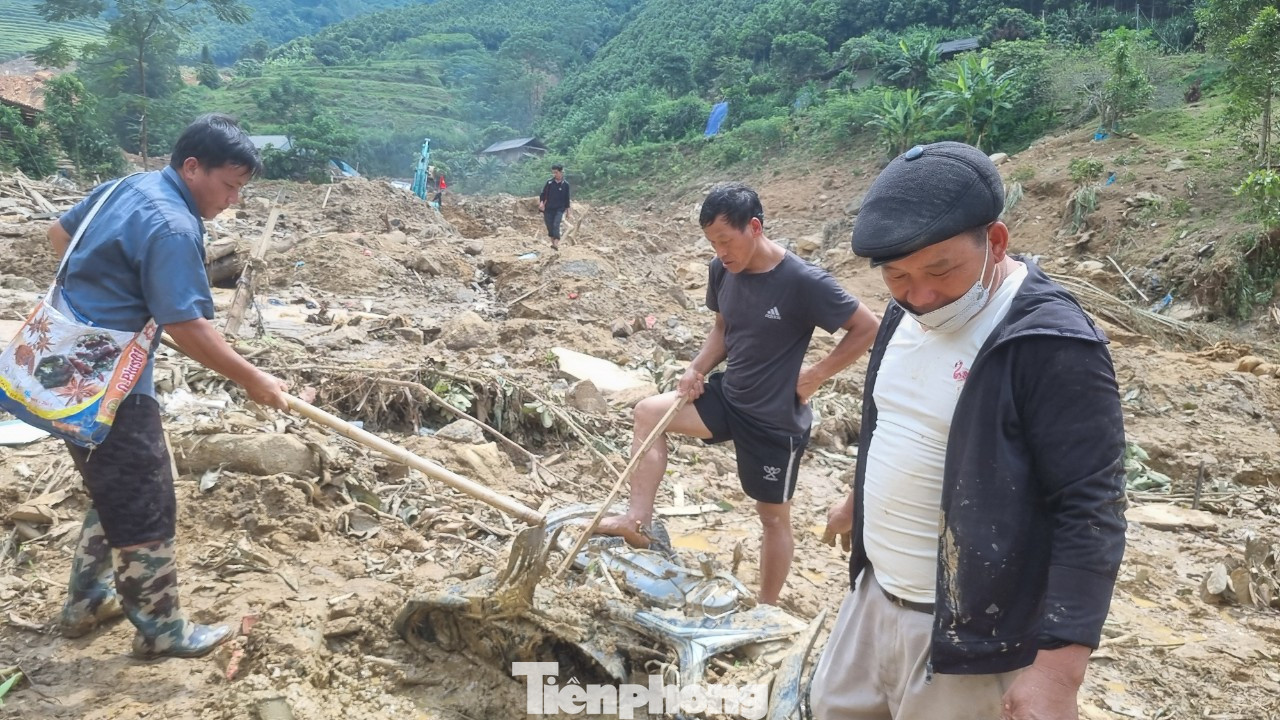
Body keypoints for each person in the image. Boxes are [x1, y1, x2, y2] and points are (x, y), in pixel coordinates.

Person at [810, 142, 1127, 720]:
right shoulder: (904, 315)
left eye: (940, 270)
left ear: (996, 242)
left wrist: (1058, 672)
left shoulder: (1050, 343)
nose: (921, 295)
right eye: (898, 276)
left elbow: (1091, 507)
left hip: (971, 635)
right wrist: (861, 500)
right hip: (874, 597)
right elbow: (896, 420)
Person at [47, 113, 290, 659]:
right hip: (110, 382)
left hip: (63, 367)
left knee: (114, 487)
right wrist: (254, 379)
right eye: (229, 186)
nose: (233, 200)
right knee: (144, 498)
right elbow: (188, 326)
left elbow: (59, 234)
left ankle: (87, 602)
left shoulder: (126, 187)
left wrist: (105, 295)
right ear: (193, 167)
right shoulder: (174, 225)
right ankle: (161, 631)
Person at [596, 182, 880, 605]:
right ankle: (636, 520)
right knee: (647, 413)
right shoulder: (721, 270)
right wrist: (696, 368)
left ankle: (767, 607)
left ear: (755, 227)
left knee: (772, 518)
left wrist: (816, 375)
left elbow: (867, 326)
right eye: (712, 243)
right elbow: (722, 329)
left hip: (773, 420)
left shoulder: (802, 280)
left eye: (726, 240)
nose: (720, 252)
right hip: (730, 396)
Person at [538, 163, 570, 250]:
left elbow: (567, 198)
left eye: (556, 172)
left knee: (556, 224)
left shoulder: (565, 185)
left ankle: (556, 244)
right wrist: (541, 203)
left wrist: (568, 211)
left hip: (559, 209)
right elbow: (543, 194)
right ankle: (553, 246)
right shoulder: (549, 183)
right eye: (553, 173)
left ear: (561, 172)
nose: (554, 174)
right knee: (550, 227)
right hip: (548, 208)